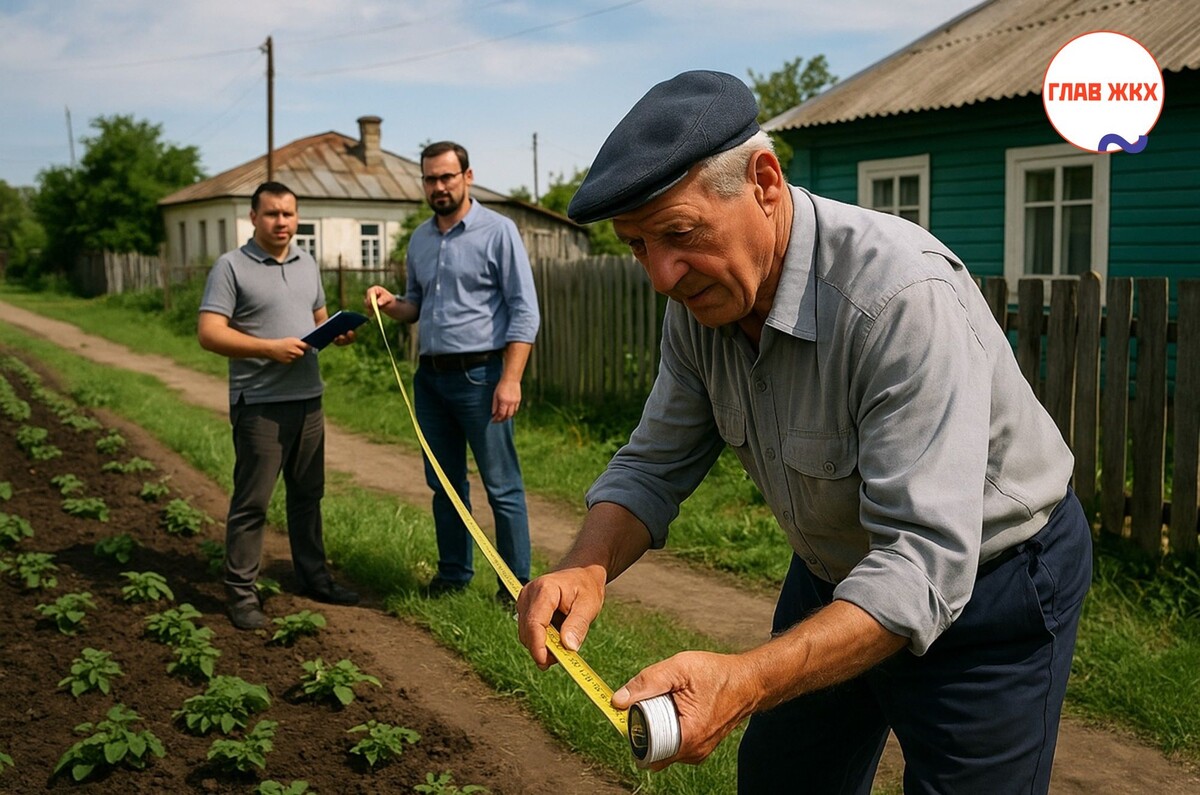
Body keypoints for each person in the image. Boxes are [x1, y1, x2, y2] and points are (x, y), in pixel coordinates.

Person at [516, 70, 1092, 793]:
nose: (661, 275)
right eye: (636, 246)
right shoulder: (703, 301)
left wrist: (747, 680)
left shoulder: (899, 299)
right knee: (782, 780)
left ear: (763, 182)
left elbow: (921, 563)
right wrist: (587, 564)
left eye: (679, 233)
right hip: (837, 574)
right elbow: (653, 464)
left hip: (990, 586)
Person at [365, 141, 540, 601]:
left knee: (501, 487)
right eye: (430, 179)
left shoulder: (498, 231)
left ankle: (515, 590)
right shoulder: (420, 239)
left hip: (481, 378)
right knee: (444, 485)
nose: (439, 186)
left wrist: (510, 379)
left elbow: (524, 310)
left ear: (468, 177)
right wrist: (391, 303)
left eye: (447, 177)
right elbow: (415, 306)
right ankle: (453, 576)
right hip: (430, 379)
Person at [199, 181, 360, 631]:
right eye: (272, 214)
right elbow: (209, 333)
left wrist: (337, 333)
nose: (282, 222)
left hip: (308, 400)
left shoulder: (307, 262)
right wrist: (268, 349)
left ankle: (313, 577)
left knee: (308, 496)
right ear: (253, 217)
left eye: (289, 214)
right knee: (253, 502)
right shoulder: (231, 267)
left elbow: (316, 320)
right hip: (260, 404)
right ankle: (241, 593)